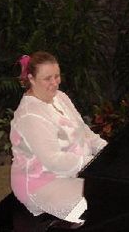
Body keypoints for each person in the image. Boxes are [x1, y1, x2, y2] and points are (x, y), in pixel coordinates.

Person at [9, 51, 107, 224]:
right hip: (42, 182)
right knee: (102, 203)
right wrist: (95, 165)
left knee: (115, 193)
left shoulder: (60, 97)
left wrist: (108, 151)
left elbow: (84, 132)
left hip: (76, 170)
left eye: (57, 76)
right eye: (47, 78)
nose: (55, 83)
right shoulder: (29, 115)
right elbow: (54, 161)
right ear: (31, 79)